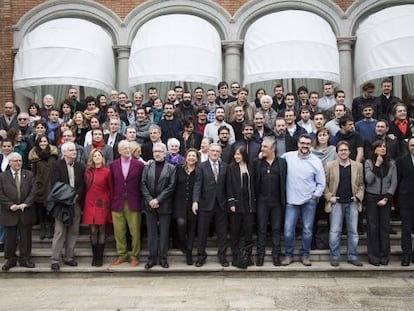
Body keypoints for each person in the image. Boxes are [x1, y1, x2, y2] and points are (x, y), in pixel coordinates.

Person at [281, 134, 325, 266]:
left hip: (308, 201)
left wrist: (316, 195)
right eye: (302, 143)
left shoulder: (316, 161)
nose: (304, 146)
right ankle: (288, 255)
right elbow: (275, 163)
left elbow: (321, 182)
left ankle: (305, 255)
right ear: (298, 144)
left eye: (307, 143)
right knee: (288, 230)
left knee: (307, 229)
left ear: (310, 145)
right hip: (291, 200)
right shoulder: (288, 157)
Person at [324, 141, 365, 267]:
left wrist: (358, 197)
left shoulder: (357, 166)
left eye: (345, 150)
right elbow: (323, 184)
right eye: (341, 150)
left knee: (353, 231)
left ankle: (352, 256)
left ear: (349, 151)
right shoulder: (330, 165)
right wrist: (329, 197)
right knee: (335, 231)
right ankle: (335, 256)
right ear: (337, 152)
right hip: (336, 203)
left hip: (352, 202)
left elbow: (361, 184)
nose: (343, 152)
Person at [50, 141, 85, 271]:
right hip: (61, 203)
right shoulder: (56, 165)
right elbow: (56, 184)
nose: (74, 152)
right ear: (64, 152)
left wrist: (77, 195)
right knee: (59, 232)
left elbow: (82, 185)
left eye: (75, 150)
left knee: (73, 231)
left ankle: (69, 257)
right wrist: (67, 196)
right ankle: (55, 259)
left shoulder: (80, 166)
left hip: (75, 203)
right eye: (71, 150)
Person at [192, 143, 229, 267]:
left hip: (221, 204)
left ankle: (222, 256)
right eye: (212, 151)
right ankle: (201, 257)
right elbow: (197, 184)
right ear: (208, 152)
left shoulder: (225, 166)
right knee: (202, 232)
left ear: (220, 153)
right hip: (205, 203)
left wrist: (230, 202)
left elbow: (227, 186)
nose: (214, 153)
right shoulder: (201, 167)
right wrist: (195, 201)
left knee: (222, 232)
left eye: (217, 151)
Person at [141, 142, 176, 269]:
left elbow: (171, 186)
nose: (157, 154)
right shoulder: (147, 167)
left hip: (164, 205)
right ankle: (152, 258)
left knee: (164, 233)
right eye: (155, 151)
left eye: (160, 151)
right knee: (151, 233)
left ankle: (163, 258)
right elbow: (143, 184)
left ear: (165, 153)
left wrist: (158, 200)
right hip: (149, 205)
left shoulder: (171, 168)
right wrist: (150, 199)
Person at [110, 140, 144, 267]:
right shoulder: (113, 165)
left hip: (133, 201)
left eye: (129, 148)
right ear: (119, 151)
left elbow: (142, 183)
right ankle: (122, 255)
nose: (127, 150)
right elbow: (111, 184)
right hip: (117, 202)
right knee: (119, 231)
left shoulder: (139, 165)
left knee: (135, 231)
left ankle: (135, 256)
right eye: (124, 148)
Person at [0, 152, 36, 271]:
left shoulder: (29, 174)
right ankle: (11, 259)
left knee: (26, 237)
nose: (18, 163)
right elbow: (1, 193)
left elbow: (33, 191)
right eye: (15, 161)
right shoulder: (3, 176)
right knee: (10, 238)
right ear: (10, 163)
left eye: (20, 160)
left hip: (25, 211)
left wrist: (26, 203)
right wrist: (10, 205)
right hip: (10, 212)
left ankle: (24, 259)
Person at [254, 136, 286, 266]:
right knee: (261, 229)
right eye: (262, 146)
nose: (262, 149)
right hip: (262, 201)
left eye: (265, 147)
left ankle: (276, 256)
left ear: (273, 148)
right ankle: (260, 256)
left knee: (276, 229)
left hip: (277, 202)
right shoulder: (258, 163)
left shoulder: (282, 163)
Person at [364, 140, 397, 266]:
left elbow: (394, 182)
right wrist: (377, 165)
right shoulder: (368, 162)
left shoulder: (392, 163)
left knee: (384, 227)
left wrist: (387, 197)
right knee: (373, 227)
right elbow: (369, 180)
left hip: (386, 197)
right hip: (372, 196)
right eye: (379, 147)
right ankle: (373, 256)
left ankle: (384, 255)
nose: (382, 149)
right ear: (374, 149)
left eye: (384, 147)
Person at [226, 145, 256, 268]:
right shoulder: (231, 168)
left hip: (249, 204)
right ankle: (236, 257)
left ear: (244, 155)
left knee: (248, 232)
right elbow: (229, 186)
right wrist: (231, 202)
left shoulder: (250, 166)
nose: (236, 156)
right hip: (236, 205)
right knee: (235, 232)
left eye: (239, 154)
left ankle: (246, 256)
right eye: (235, 154)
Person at [83, 149, 113, 267]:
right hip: (90, 202)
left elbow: (111, 188)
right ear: (92, 158)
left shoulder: (107, 172)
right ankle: (94, 256)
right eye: (94, 156)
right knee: (93, 230)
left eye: (99, 155)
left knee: (101, 230)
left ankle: (99, 258)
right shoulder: (88, 172)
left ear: (102, 157)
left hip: (103, 203)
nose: (97, 157)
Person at [28, 135, 59, 240]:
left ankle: (50, 227)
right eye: (41, 141)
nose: (43, 143)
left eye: (45, 141)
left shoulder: (53, 156)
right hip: (39, 185)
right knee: (40, 208)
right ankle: (42, 227)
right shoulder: (34, 157)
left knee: (50, 207)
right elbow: (33, 173)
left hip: (51, 185)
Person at [173, 148, 200, 265]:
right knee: (181, 223)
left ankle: (189, 252)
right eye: (189, 155)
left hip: (193, 203)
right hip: (179, 202)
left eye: (194, 156)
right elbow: (173, 184)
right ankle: (181, 242)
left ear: (197, 158)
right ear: (186, 157)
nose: (191, 158)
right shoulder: (178, 169)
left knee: (192, 228)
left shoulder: (200, 170)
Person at [396, 137, 414, 266]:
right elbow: (398, 180)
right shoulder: (402, 161)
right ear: (408, 147)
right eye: (412, 145)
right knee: (406, 230)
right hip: (406, 200)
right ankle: (406, 256)